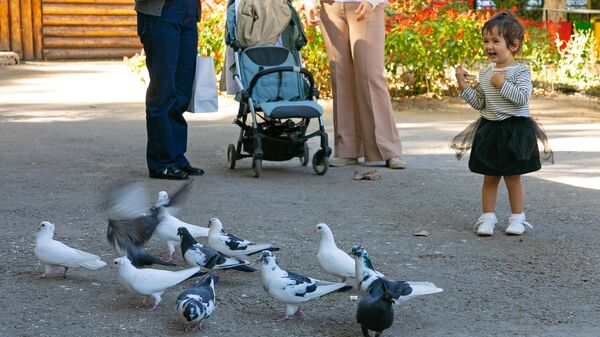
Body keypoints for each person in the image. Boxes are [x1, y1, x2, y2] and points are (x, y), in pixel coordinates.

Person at [452, 11, 553, 236]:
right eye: (486, 41)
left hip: (514, 130)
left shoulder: (521, 71)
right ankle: (487, 218)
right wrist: (463, 86)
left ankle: (517, 219)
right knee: (489, 177)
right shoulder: (486, 72)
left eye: (496, 41)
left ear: (513, 45)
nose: (489, 46)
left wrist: (502, 85)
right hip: (490, 129)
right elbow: (480, 103)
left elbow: (521, 98)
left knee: (512, 177)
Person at [303, 0, 405, 169]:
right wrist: (309, 3)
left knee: (370, 75)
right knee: (340, 76)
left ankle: (389, 149)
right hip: (331, 8)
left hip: (365, 5)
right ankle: (346, 150)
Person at [135, 0, 205, 180]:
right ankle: (161, 163)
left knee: (181, 91)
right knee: (163, 90)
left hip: (188, 13)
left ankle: (176, 157)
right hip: (162, 13)